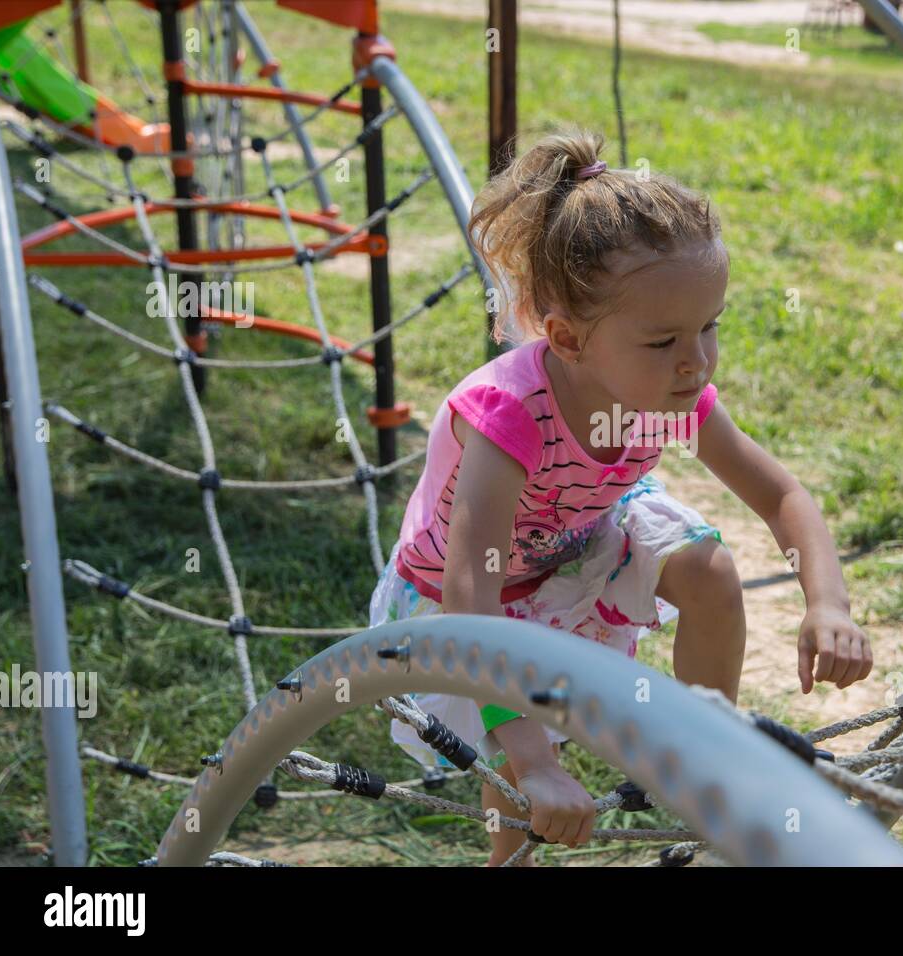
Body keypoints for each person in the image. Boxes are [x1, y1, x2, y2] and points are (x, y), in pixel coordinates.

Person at [368, 125, 873, 866]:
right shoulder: (509, 414)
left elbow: (783, 496)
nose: (695, 362)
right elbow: (470, 589)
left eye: (709, 329)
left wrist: (828, 601)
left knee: (706, 568)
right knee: (519, 754)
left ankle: (709, 755)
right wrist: (537, 760)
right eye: (663, 341)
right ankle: (507, 856)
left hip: (575, 541)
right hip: (472, 596)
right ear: (568, 340)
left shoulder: (675, 393)